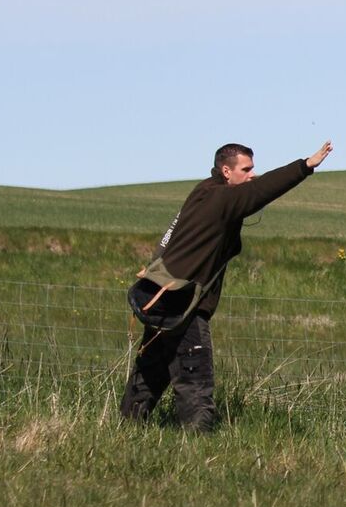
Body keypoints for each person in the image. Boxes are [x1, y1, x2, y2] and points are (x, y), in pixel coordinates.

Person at [119, 140, 333, 431]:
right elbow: (262, 190)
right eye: (246, 169)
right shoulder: (222, 199)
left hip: (163, 293)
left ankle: (127, 428)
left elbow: (170, 232)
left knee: (152, 368)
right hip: (185, 300)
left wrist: (154, 263)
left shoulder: (203, 190)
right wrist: (304, 166)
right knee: (195, 375)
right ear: (226, 171)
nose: (252, 175)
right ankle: (197, 441)